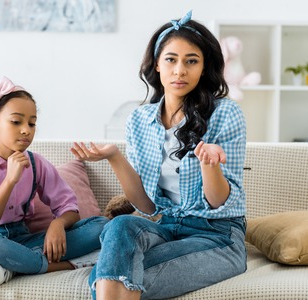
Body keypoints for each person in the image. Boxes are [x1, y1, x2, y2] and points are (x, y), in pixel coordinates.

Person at [71, 10, 247, 300]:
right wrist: (115, 156)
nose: (180, 70)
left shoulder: (226, 113)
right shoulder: (138, 120)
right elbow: (148, 206)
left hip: (216, 235)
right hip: (165, 227)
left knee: (108, 278)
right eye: (171, 59)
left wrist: (209, 164)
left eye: (191, 61)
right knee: (121, 225)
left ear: (204, 68)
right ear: (157, 64)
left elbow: (217, 202)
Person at [0, 76, 108, 287]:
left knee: (101, 226)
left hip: (23, 240)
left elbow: (69, 207)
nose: (26, 130)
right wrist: (10, 180)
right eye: (16, 122)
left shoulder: (36, 163)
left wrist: (58, 224)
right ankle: (57, 265)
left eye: (32, 123)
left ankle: (11, 266)